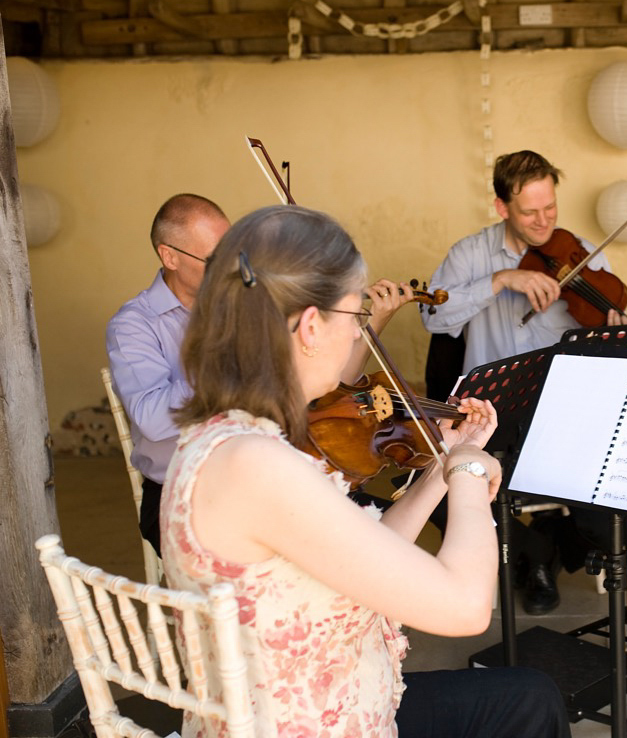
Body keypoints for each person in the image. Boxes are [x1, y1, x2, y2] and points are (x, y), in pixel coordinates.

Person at [162, 204, 577, 738]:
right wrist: (468, 475)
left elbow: (368, 546)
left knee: (529, 701)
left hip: (332, 708)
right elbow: (465, 607)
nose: (361, 332)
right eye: (357, 317)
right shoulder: (258, 467)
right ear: (311, 326)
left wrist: (442, 465)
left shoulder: (232, 437)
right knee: (522, 717)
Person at [106, 193, 410, 555]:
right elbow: (153, 420)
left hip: (278, 473)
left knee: (389, 540)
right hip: (185, 495)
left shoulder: (247, 302)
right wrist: (238, 355)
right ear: (169, 256)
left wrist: (369, 321)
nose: (229, 269)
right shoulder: (134, 325)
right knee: (356, 557)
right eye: (213, 260)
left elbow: (326, 386)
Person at [421, 150, 626, 614]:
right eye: (530, 212)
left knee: (608, 508)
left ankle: (555, 547)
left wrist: (612, 328)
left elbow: (609, 334)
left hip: (567, 404)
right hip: (493, 411)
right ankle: (535, 554)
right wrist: (498, 280)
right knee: (437, 488)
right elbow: (432, 317)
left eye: (550, 207)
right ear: (502, 207)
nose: (543, 221)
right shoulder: (470, 254)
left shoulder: (581, 251)